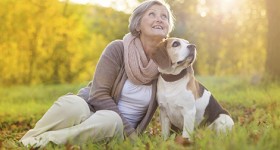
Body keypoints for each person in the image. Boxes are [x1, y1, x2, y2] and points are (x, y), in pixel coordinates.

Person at [20, 0, 175, 148]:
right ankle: (29, 139)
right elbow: (99, 94)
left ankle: (42, 141)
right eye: (152, 14)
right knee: (72, 104)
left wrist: (131, 133)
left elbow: (178, 101)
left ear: (168, 27)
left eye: (164, 16)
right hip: (90, 111)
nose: (159, 19)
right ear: (138, 24)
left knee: (110, 119)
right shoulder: (118, 49)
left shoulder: (168, 63)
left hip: (117, 131)